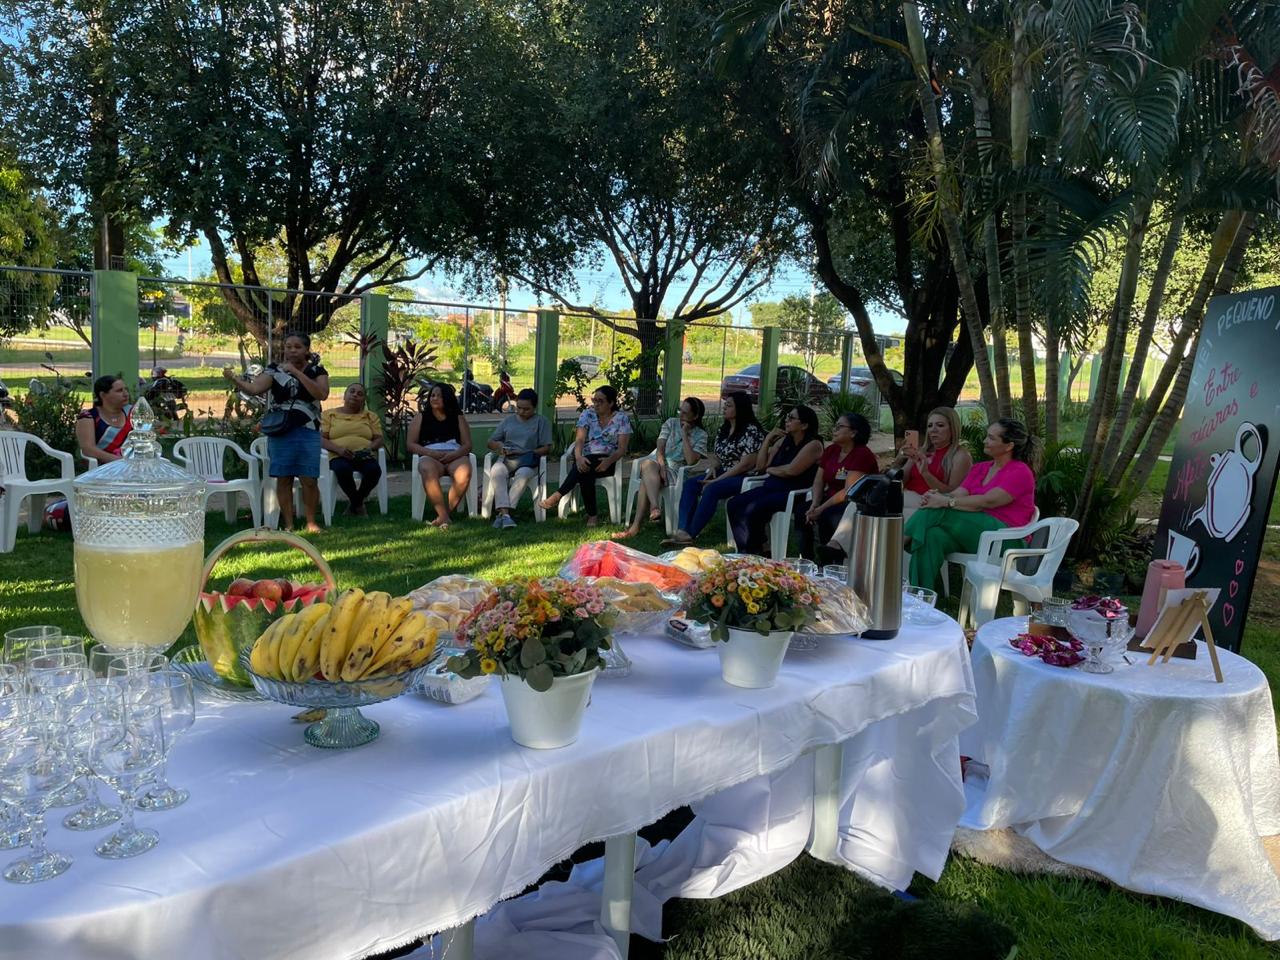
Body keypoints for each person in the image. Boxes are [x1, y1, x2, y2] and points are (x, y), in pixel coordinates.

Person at [904, 418, 1041, 592]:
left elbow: (988, 501)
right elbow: (958, 494)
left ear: (1009, 446)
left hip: (1005, 538)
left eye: (991, 438)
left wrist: (945, 502)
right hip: (975, 533)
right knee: (932, 536)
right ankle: (920, 597)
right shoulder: (980, 468)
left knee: (935, 511)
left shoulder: (1020, 471)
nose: (985, 440)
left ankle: (895, 546)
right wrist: (936, 497)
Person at [224, 332, 330, 532]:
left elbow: (321, 394)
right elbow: (254, 389)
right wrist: (235, 379)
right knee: (284, 477)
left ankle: (311, 523)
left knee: (309, 479)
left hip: (308, 429)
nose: (292, 350)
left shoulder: (317, 370)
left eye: (297, 347)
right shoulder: (273, 370)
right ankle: (288, 524)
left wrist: (296, 373)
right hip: (281, 430)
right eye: (288, 346)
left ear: (306, 349)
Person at [663, 391, 765, 547]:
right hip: (724, 471)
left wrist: (717, 480)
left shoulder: (751, 431)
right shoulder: (724, 429)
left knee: (712, 489)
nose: (724, 408)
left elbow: (746, 464)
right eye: (725, 405)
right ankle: (683, 530)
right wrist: (713, 467)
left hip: (743, 476)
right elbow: (719, 457)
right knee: (691, 484)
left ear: (740, 409)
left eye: (729, 406)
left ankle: (691, 533)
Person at [726, 405, 824, 556]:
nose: (786, 421)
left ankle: (754, 550)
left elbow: (791, 471)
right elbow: (761, 466)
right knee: (734, 504)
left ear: (804, 425)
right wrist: (767, 440)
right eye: (787, 417)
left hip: (793, 493)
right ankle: (747, 549)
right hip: (771, 488)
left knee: (754, 508)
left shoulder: (813, 444)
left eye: (791, 418)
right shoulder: (783, 440)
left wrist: (771, 470)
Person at [614, 397, 708, 540]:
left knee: (645, 480)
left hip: (677, 472)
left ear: (695, 416)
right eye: (680, 411)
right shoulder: (671, 423)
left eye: (685, 413)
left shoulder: (701, 435)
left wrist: (684, 434)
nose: (680, 415)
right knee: (647, 464)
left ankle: (635, 526)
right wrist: (662, 466)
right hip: (660, 464)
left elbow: (690, 460)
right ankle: (655, 506)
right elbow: (660, 447)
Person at [540, 386, 631, 527]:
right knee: (585, 469)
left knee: (584, 468)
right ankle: (592, 515)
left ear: (611, 403)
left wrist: (608, 461)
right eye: (594, 400)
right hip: (586, 457)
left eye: (600, 401)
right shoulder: (588, 414)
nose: (596, 404)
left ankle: (559, 495)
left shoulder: (621, 419)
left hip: (607, 460)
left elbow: (622, 449)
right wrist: (578, 458)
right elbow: (580, 439)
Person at [799, 412, 878, 561]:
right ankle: (807, 559)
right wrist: (815, 503)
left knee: (827, 515)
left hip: (852, 502)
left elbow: (849, 490)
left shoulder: (862, 454)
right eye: (835, 426)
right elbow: (819, 480)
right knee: (801, 512)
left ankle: (831, 561)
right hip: (830, 497)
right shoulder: (831, 450)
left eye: (839, 426)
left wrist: (821, 508)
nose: (834, 430)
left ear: (853, 433)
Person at [407, 383, 473, 529]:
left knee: (464, 473)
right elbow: (411, 444)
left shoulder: (458, 417)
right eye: (432, 395)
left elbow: (467, 445)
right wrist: (431, 453)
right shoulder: (421, 417)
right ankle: (444, 516)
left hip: (454, 455)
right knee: (427, 469)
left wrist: (454, 455)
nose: (434, 398)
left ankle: (444, 515)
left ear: (447, 398)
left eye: (439, 396)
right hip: (430, 454)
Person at [486, 388, 552, 528]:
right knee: (496, 471)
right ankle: (506, 515)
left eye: (526, 409)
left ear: (534, 407)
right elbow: (490, 442)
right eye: (519, 408)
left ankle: (503, 514)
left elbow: (547, 448)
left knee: (523, 474)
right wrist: (500, 446)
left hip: (528, 461)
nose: (521, 412)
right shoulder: (508, 421)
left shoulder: (541, 422)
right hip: (507, 459)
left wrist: (527, 452)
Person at [893, 406, 972, 517]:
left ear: (952, 429)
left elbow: (951, 494)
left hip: (933, 505)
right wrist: (898, 461)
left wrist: (926, 474)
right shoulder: (922, 451)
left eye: (940, 425)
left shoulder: (960, 455)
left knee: (892, 513)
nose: (933, 430)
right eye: (930, 426)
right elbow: (901, 483)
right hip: (908, 499)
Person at [320, 383, 384, 517]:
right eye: (352, 391)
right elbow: (321, 439)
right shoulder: (329, 415)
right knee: (343, 470)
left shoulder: (370, 416)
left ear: (363, 400)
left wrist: (369, 448)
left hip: (364, 455)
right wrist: (338, 449)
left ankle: (355, 503)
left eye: (360, 394)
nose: (355, 395)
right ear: (344, 395)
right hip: (338, 455)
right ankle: (359, 505)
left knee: (374, 471)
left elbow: (379, 439)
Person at [76, 376, 133, 464]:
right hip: (104, 468)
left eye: (126, 389)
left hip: (135, 465)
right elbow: (88, 450)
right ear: (103, 395)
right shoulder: (89, 417)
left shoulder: (133, 412)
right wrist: (120, 462)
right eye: (119, 391)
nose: (126, 394)